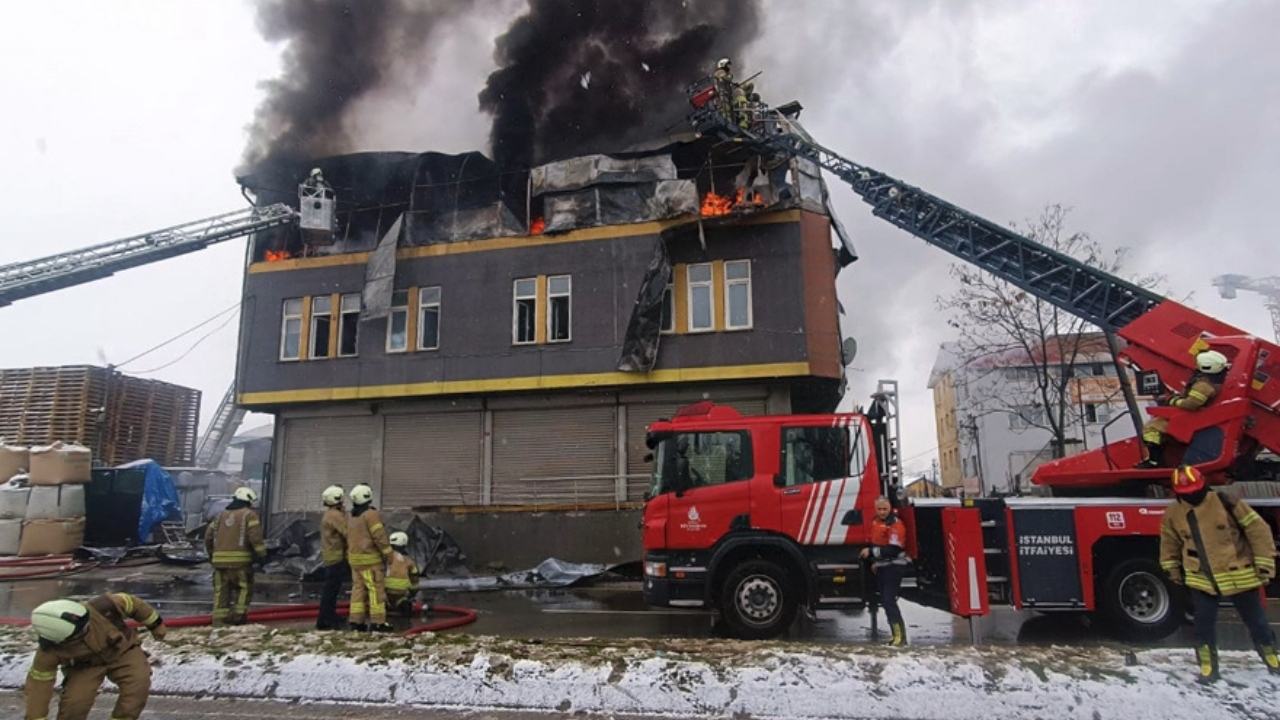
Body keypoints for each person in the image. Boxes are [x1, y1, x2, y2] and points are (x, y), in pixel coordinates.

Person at [1159, 465, 1278, 683]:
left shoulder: (1226, 502)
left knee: (1257, 623)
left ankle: (1272, 660)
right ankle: (1208, 668)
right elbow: (1169, 543)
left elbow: (1258, 530)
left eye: (1194, 491)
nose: (1191, 496)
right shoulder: (1174, 513)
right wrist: (1172, 569)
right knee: (1203, 626)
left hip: (1240, 575)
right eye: (1186, 493)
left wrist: (1264, 563)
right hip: (1201, 579)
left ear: (1203, 485)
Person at [26, 592, 168, 720]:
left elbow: (134, 604)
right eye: (82, 630)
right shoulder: (49, 651)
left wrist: (155, 624)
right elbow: (38, 688)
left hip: (123, 651)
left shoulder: (104, 606)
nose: (88, 627)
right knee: (75, 704)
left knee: (137, 687)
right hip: (84, 667)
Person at [1138, 350, 1230, 468]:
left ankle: (1155, 461)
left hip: (1191, 420)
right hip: (1199, 419)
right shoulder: (1216, 380)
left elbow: (1191, 404)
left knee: (1151, 428)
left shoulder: (1203, 386)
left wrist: (1173, 401)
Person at [205, 486, 267, 626]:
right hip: (241, 563)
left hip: (219, 564)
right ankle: (239, 619)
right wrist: (262, 555)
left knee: (221, 592)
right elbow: (255, 537)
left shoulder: (219, 516)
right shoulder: (249, 515)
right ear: (248, 501)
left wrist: (212, 555)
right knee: (244, 589)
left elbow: (208, 537)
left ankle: (219, 622)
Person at [860, 496, 910, 646]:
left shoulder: (895, 524)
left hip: (894, 567)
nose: (882, 512)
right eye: (879, 509)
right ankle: (895, 635)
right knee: (886, 601)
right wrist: (875, 561)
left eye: (885, 509)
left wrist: (871, 552)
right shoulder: (876, 522)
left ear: (890, 508)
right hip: (883, 566)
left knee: (889, 601)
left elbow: (894, 549)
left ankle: (900, 637)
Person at [347, 483, 394, 632]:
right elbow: (379, 537)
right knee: (375, 590)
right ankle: (378, 622)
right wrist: (389, 554)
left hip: (355, 561)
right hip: (370, 561)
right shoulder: (371, 515)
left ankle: (356, 622)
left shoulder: (352, 516)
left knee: (358, 590)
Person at [316, 484, 349, 630]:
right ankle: (325, 619)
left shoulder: (331, 514)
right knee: (331, 590)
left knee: (333, 589)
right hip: (336, 557)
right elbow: (347, 531)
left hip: (332, 556)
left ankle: (329, 615)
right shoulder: (335, 515)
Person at [385, 530, 421, 617]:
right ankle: (403, 606)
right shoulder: (408, 560)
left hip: (385, 592)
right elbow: (415, 575)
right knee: (404, 604)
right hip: (401, 593)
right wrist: (413, 591)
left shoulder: (384, 557)